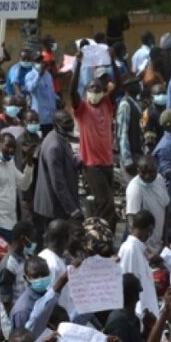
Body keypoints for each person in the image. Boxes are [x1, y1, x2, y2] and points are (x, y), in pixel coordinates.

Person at [71, 49, 119, 230]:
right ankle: (108, 234)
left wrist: (113, 62)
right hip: (91, 164)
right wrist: (78, 65)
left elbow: (119, 85)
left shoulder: (107, 104)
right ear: (86, 91)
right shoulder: (82, 108)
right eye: (91, 88)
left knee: (104, 202)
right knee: (107, 202)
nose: (95, 91)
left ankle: (97, 233)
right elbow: (72, 90)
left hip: (107, 161)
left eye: (98, 89)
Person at [0, 131, 34, 241]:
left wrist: (29, 161)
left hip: (12, 223)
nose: (11, 150)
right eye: (8, 146)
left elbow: (24, 185)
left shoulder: (9, 163)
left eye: (14, 147)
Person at [34, 110, 82, 226]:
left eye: (71, 121)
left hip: (57, 205)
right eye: (66, 122)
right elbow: (58, 182)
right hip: (54, 206)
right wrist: (72, 209)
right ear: (57, 124)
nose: (70, 125)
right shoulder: (54, 146)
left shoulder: (59, 138)